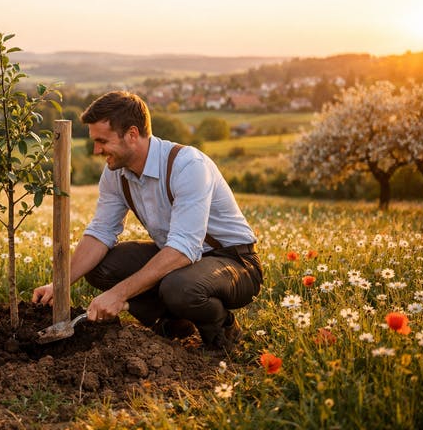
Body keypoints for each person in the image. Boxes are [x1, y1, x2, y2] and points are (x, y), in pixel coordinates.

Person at [32, 91, 262, 350]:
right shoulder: (115, 175)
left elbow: (184, 249)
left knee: (179, 287)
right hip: (182, 259)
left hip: (235, 262)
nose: (96, 150)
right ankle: (173, 324)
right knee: (101, 267)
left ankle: (223, 333)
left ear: (132, 134)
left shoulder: (188, 166)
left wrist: (119, 294)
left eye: (102, 141)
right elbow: (101, 232)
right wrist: (60, 285)